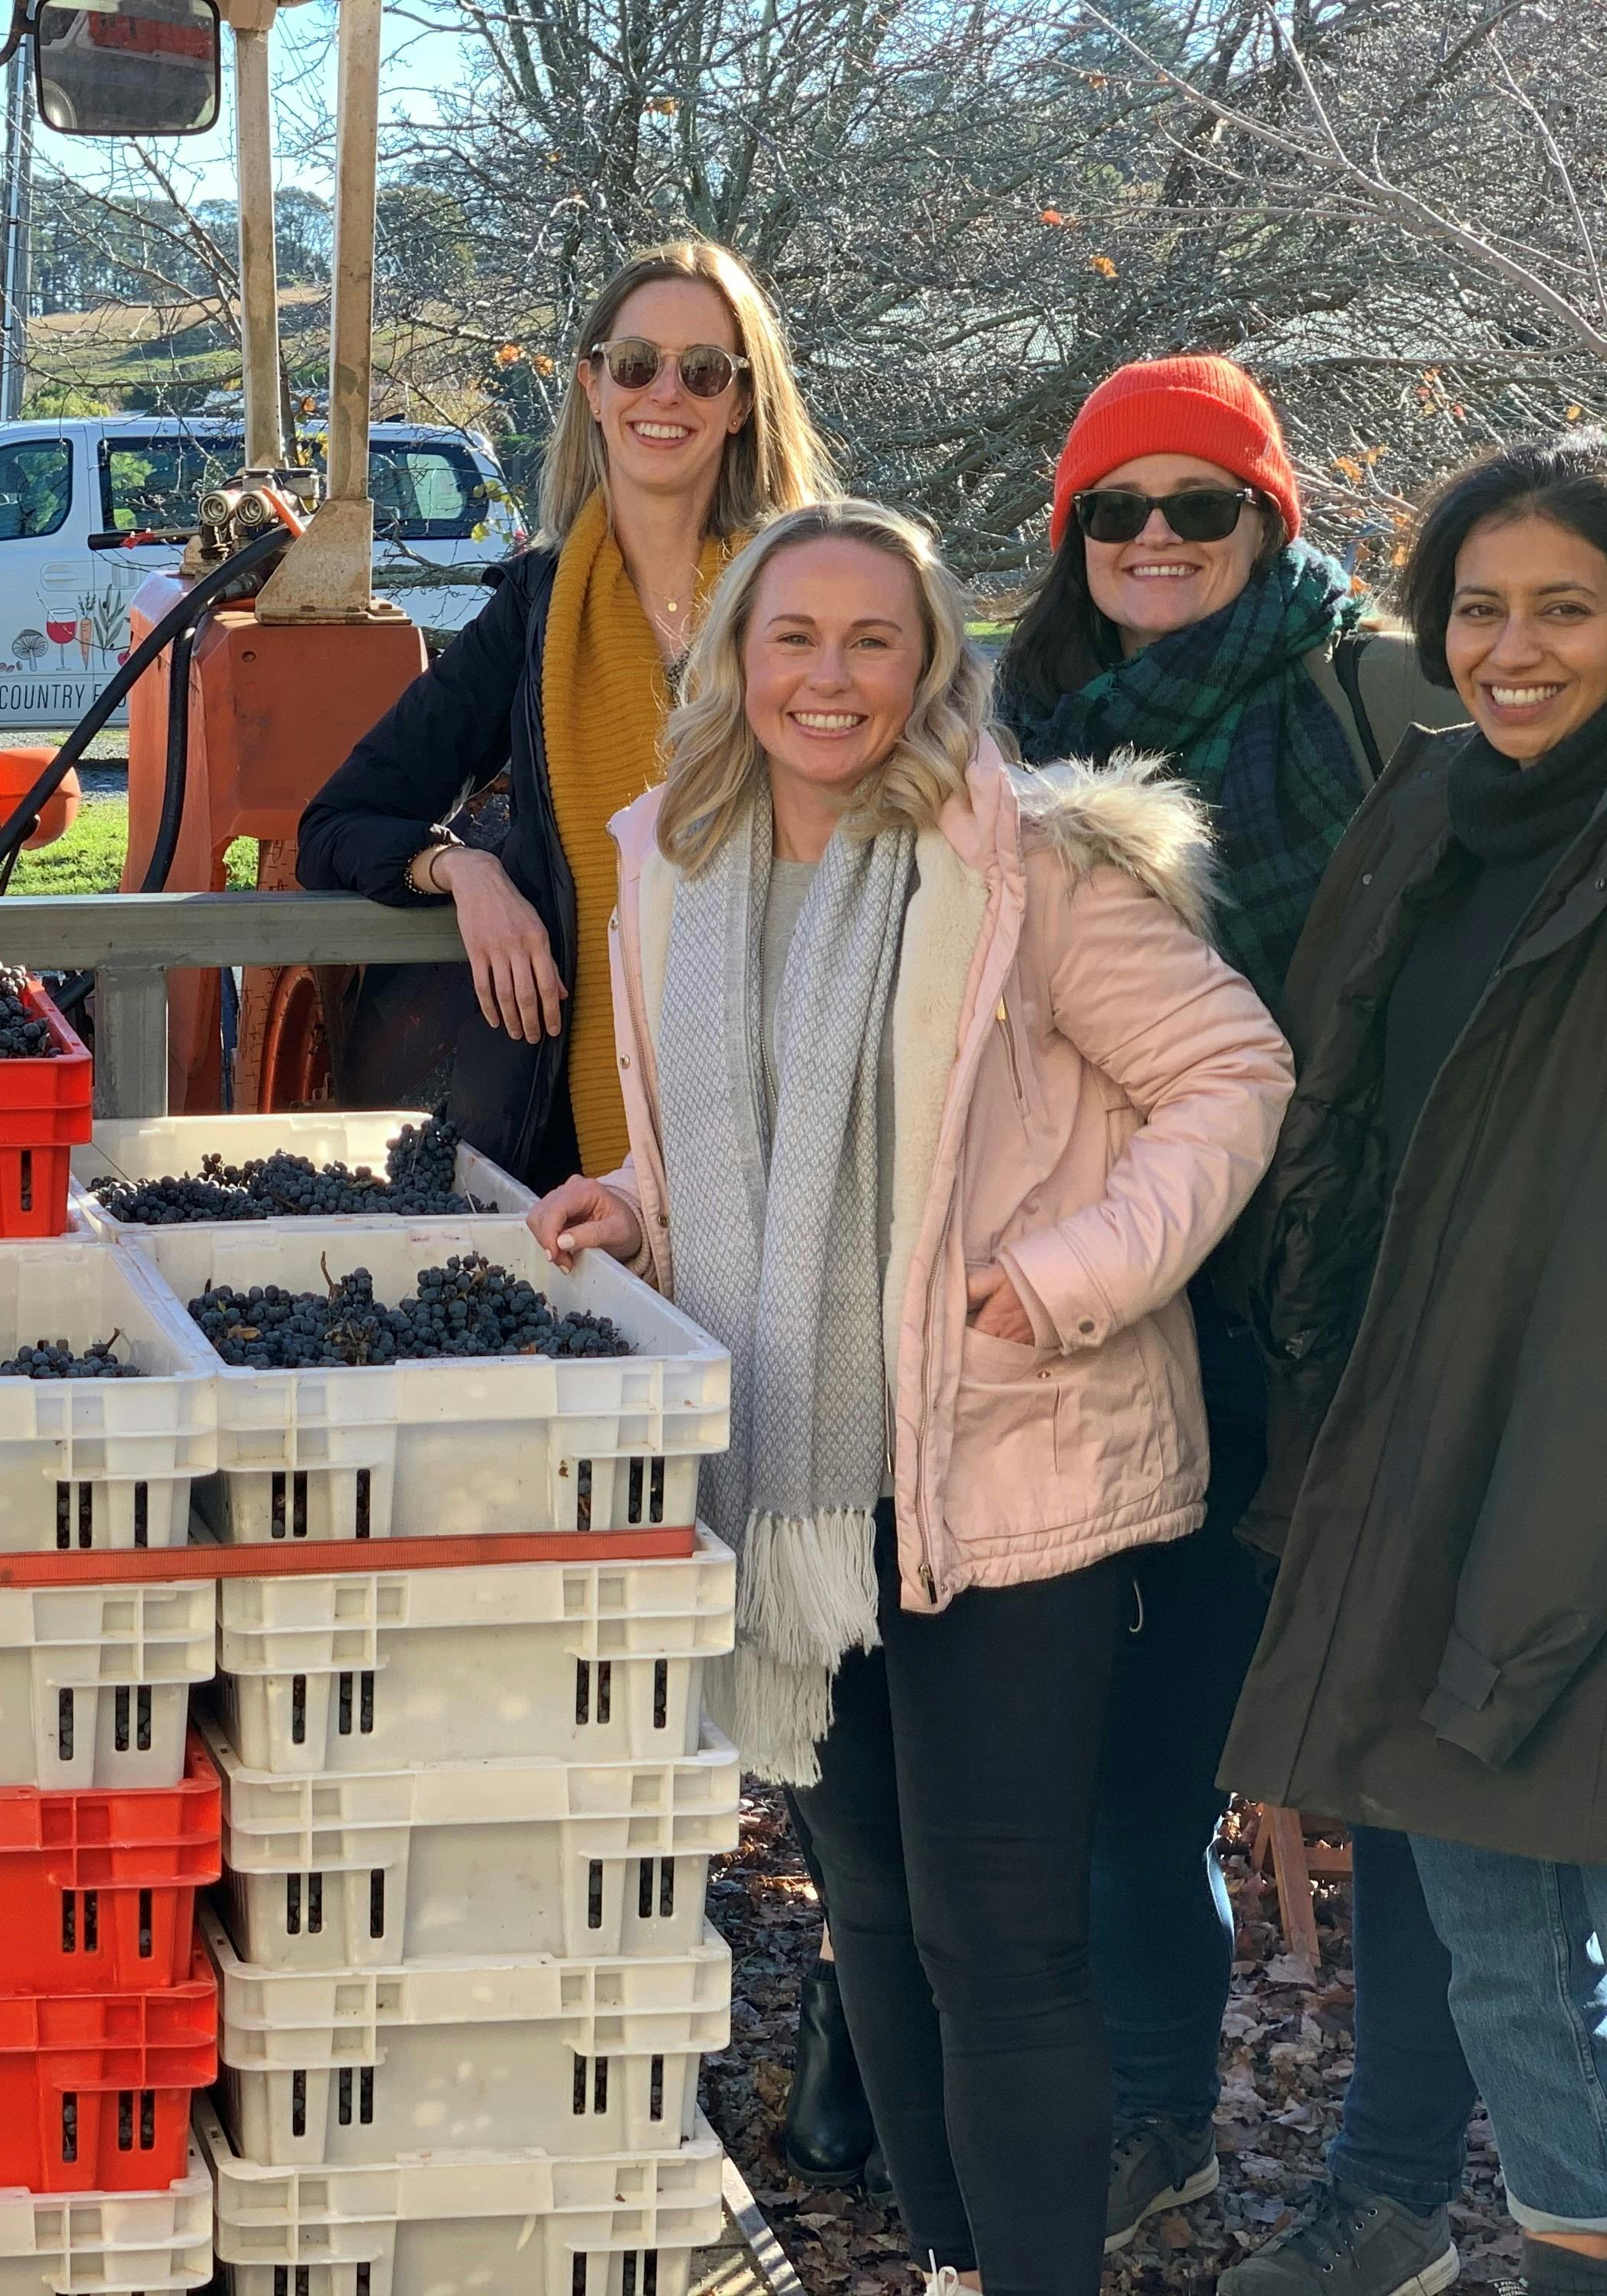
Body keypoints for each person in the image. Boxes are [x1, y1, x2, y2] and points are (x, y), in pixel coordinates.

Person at [529, 500, 1293, 2294]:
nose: (832, 677)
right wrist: (640, 1196)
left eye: (877, 641)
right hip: (799, 1469)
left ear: (932, 666)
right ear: (737, 660)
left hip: (999, 1465)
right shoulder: (685, 862)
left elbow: (1232, 1070)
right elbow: (767, 1128)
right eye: (797, 636)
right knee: (866, 1915)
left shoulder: (1026, 864)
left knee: (997, 1937)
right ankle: (954, 2262)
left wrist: (1072, 1274)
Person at [993, 355, 1480, 2271]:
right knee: (1142, 1763)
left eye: (1205, 506)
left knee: (1401, 1772)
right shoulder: (1014, 737)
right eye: (1121, 510)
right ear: (1073, 539)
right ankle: (1154, 2121)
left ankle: (1388, 2185)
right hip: (1154, 1317)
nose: (1160, 540)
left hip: (1375, 1310)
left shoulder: (1375, 698)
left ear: (1271, 521)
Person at [1225, 430, 1607, 2296]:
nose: (1513, 649)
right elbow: (1342, 1091)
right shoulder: (1433, 804)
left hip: (1566, 1441)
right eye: (1481, 608)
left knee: (1510, 1884)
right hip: (1413, 1408)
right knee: (1480, 1884)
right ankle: (1431, 2218)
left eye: (1567, 610)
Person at [299, 237, 835, 1192]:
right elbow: (338, 823)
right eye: (636, 365)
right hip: (588, 1141)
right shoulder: (535, 616)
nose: (665, 394)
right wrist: (464, 869)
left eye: (703, 371)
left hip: (809, 1092)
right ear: (594, 386)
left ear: (743, 402)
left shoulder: (816, 595)